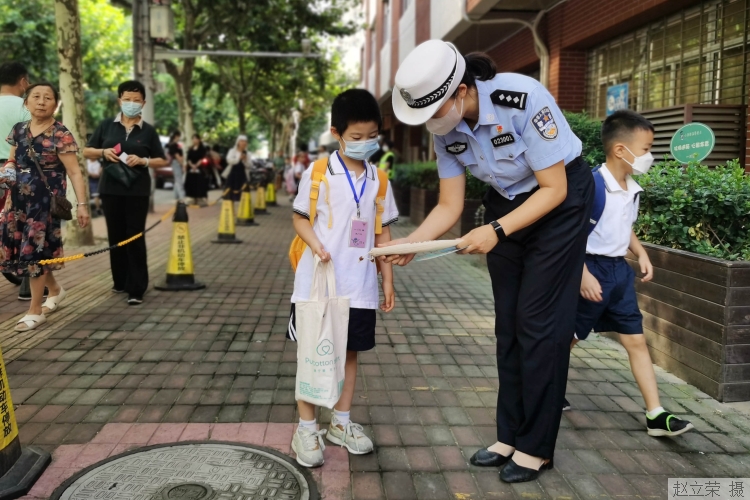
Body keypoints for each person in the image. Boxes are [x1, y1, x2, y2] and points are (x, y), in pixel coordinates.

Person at [383, 40, 594, 483]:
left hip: (558, 205)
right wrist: (411, 242)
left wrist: (495, 232)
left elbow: (553, 189)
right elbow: (448, 205)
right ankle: (509, 436)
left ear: (462, 90)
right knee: (509, 325)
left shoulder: (521, 98)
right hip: (505, 204)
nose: (434, 124)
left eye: (437, 110)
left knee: (540, 324)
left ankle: (536, 448)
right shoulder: (446, 129)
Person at [288, 88, 398, 468]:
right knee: (312, 356)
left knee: (349, 355)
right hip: (317, 283)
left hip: (360, 287)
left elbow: (381, 232)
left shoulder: (379, 179)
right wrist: (316, 245)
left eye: (372, 137)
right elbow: (300, 217)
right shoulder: (319, 173)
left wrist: (387, 280)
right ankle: (306, 428)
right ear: (336, 133)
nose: (365, 144)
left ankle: (341, 424)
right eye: (356, 137)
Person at [566, 110, 694, 437]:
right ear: (621, 149)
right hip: (589, 269)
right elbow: (570, 234)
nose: (650, 156)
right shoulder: (592, 186)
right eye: (647, 148)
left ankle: (656, 414)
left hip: (619, 274)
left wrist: (641, 253)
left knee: (636, 341)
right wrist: (582, 274)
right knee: (565, 340)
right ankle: (542, 391)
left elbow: (625, 227)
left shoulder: (631, 188)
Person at [0, 83, 90, 331]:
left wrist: (82, 205)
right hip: (17, 201)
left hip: (43, 204)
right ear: (26, 102)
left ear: (55, 104)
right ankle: (56, 291)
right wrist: (7, 169)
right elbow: (12, 158)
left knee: (34, 251)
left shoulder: (60, 134)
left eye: (47, 97)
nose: (41, 101)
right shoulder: (18, 130)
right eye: (35, 97)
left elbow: (74, 171)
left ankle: (35, 310)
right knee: (24, 251)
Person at [83, 80, 168, 306]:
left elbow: (162, 160)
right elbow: (86, 151)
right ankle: (119, 281)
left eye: (136, 100)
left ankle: (136, 288)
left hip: (137, 191)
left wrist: (144, 160)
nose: (131, 103)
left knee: (134, 237)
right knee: (116, 236)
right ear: (119, 100)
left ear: (144, 102)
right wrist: (103, 151)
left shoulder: (148, 131)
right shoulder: (106, 126)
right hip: (110, 189)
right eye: (127, 99)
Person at [0, 62, 31, 288]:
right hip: (17, 171)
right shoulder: (27, 106)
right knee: (20, 224)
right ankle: (28, 281)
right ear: (22, 81)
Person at [223, 135, 250, 201]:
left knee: (244, 194)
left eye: (245, 141)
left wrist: (245, 160)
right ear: (238, 142)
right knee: (229, 193)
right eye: (242, 141)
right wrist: (239, 158)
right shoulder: (232, 151)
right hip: (232, 174)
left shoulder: (247, 153)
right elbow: (228, 160)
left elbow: (250, 165)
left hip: (243, 175)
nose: (244, 143)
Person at [185, 134, 208, 205]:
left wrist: (196, 165)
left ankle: (200, 198)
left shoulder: (202, 149)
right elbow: (188, 159)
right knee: (191, 182)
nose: (194, 140)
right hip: (191, 168)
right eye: (193, 139)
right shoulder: (190, 149)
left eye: (196, 139)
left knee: (199, 183)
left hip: (199, 168)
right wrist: (191, 165)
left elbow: (202, 158)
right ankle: (192, 198)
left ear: (199, 140)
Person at [166, 130, 185, 201]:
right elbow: (177, 156)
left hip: (174, 163)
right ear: (176, 136)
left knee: (177, 179)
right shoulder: (174, 145)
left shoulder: (171, 144)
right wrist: (182, 164)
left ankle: (176, 195)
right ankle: (181, 196)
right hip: (176, 163)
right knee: (179, 179)